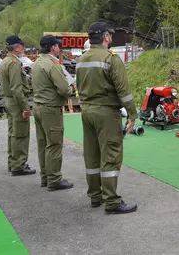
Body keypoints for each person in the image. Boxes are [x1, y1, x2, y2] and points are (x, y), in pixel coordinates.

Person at [75, 22, 138, 214]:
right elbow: (123, 91)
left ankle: (95, 197)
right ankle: (112, 201)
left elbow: (78, 86)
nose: (111, 37)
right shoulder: (111, 59)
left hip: (87, 112)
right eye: (109, 35)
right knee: (110, 155)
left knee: (92, 155)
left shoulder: (82, 59)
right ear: (105, 37)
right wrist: (132, 114)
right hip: (106, 113)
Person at [32, 35, 74, 191]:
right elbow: (64, 89)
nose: (60, 48)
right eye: (58, 46)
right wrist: (72, 89)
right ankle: (55, 179)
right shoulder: (52, 65)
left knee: (43, 143)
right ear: (52, 47)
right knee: (54, 144)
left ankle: (45, 177)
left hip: (38, 106)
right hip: (50, 108)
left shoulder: (37, 63)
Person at [0, 35, 36, 176]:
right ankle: (19, 165)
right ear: (16, 47)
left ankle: (13, 162)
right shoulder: (14, 63)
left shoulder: (5, 61)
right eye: (22, 46)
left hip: (9, 100)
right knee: (20, 134)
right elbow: (16, 88)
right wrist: (25, 107)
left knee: (13, 133)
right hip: (16, 102)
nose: (24, 48)